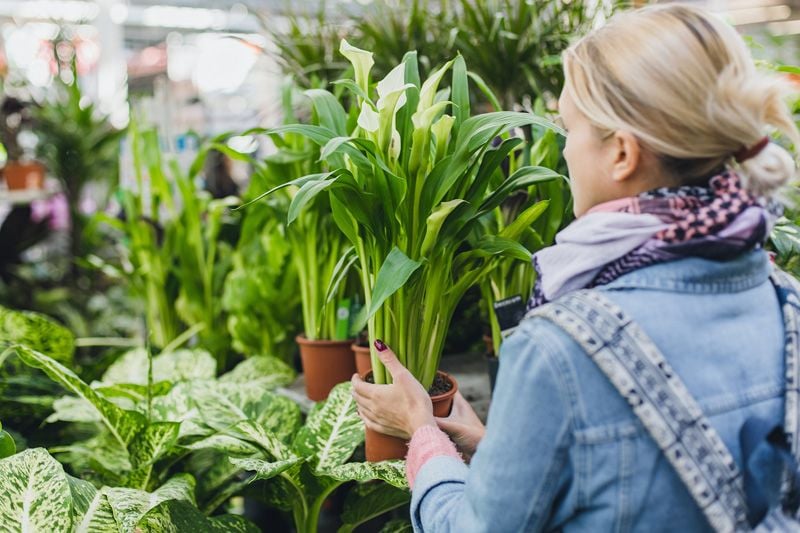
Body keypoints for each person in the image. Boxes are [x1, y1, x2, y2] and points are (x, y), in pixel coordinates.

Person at [351, 4, 800, 532]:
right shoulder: (785, 302)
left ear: (623, 155)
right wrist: (502, 446)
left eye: (569, 128)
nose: (563, 151)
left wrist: (421, 429)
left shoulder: (560, 350)